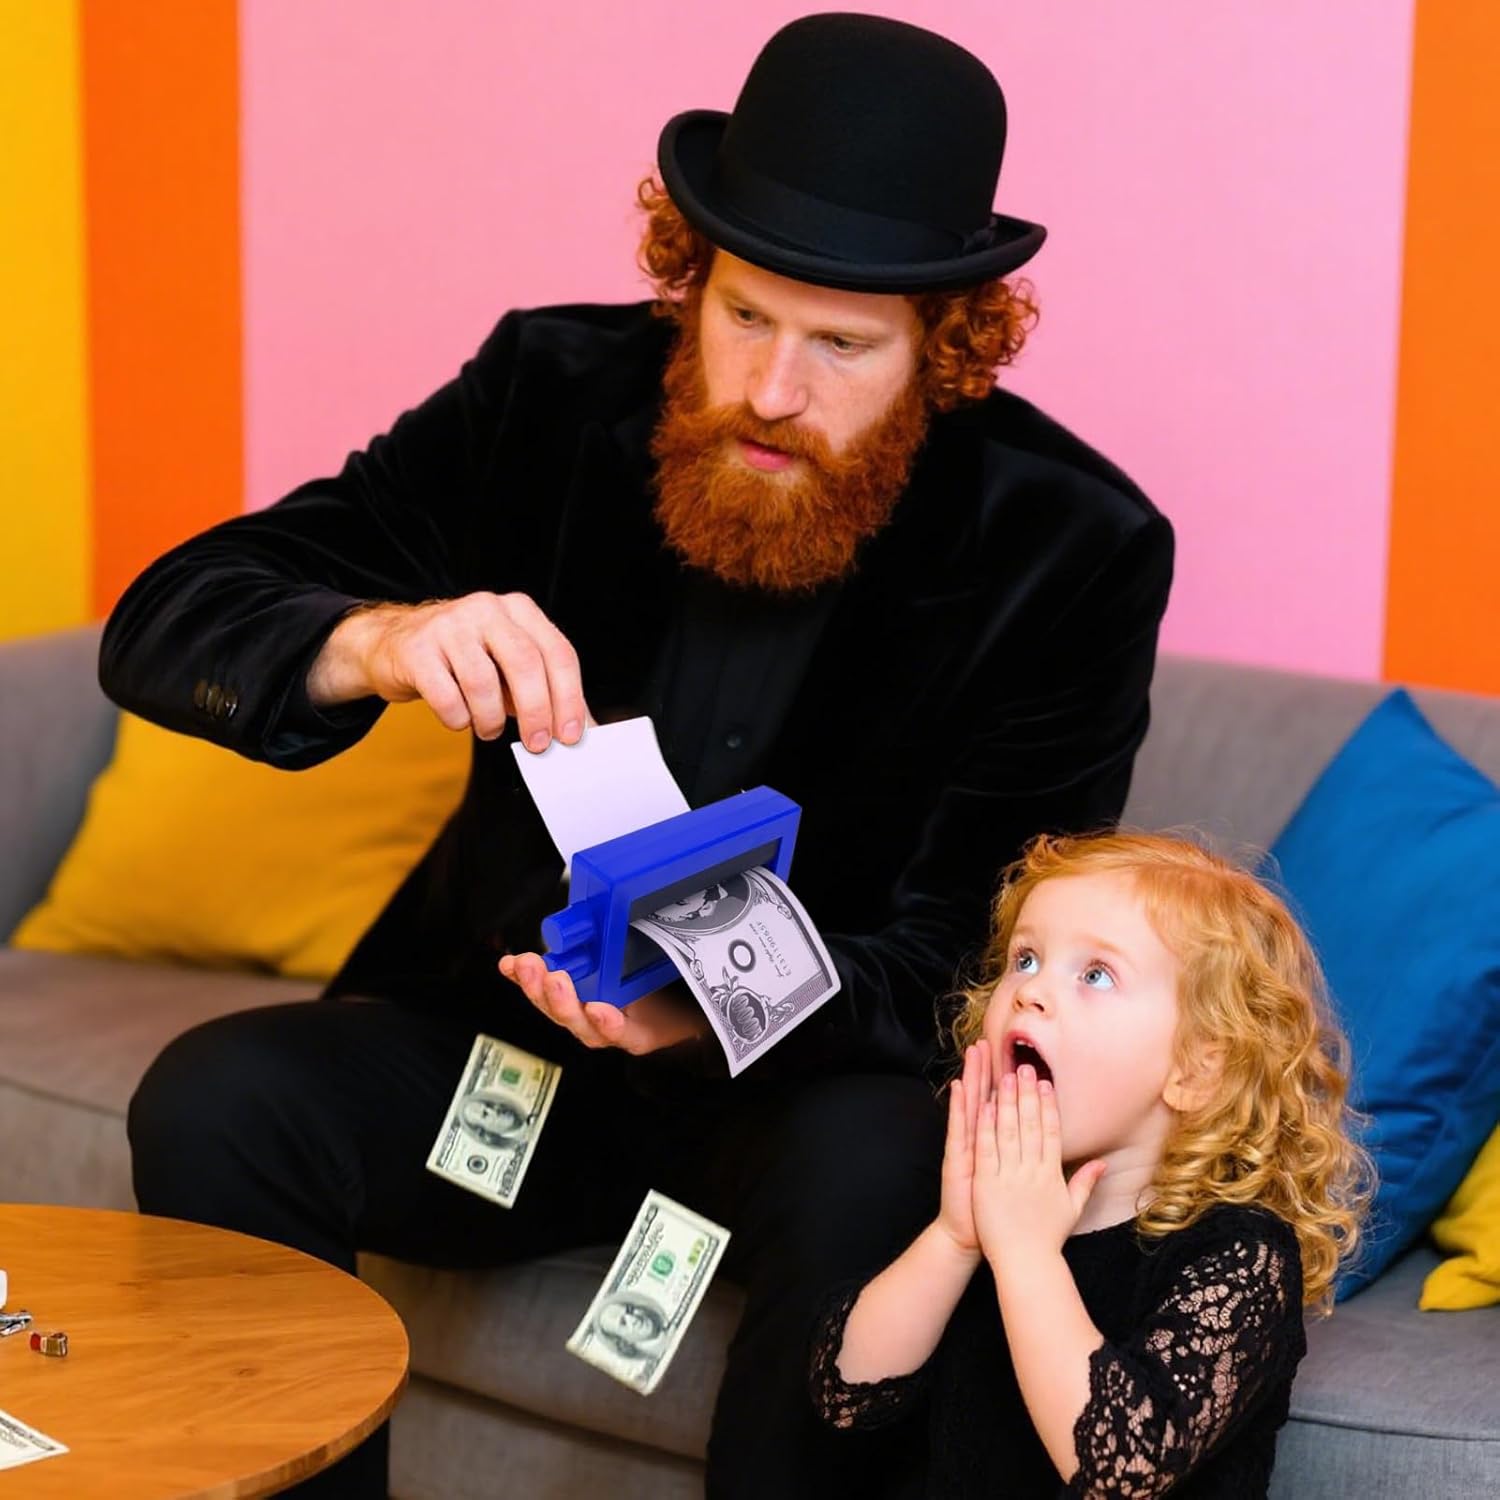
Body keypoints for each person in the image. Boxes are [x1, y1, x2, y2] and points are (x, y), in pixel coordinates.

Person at [102, 13, 1175, 1497]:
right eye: (744, 317)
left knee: (883, 1164)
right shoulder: (548, 394)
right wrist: (380, 638)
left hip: (802, 1100)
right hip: (516, 1056)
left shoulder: (1074, 548)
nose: (772, 392)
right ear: (690, 278)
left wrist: (711, 1005)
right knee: (219, 1098)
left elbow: (972, 957)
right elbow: (170, 616)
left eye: (843, 345)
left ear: (945, 348)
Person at [810, 830, 1376, 1497]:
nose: (1031, 991)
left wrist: (1026, 1256)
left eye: (1096, 975)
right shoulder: (994, 1208)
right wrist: (955, 1236)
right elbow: (845, 1395)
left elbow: (1121, 1468)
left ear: (1195, 1070)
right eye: (1025, 959)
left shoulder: (1242, 1255)